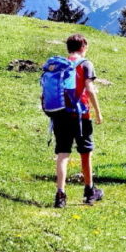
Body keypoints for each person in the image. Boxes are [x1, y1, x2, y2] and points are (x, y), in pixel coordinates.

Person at [51, 33, 103, 208]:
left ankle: (60, 194)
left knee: (63, 154)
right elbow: (89, 88)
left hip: (60, 114)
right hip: (81, 115)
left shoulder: (60, 65)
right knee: (85, 152)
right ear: (83, 47)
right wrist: (98, 111)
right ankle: (89, 191)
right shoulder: (85, 64)